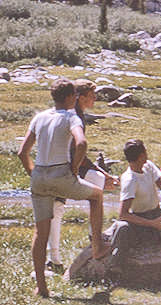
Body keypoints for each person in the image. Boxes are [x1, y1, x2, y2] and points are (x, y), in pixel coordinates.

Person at [17, 78, 109, 298]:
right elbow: (82, 143)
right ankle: (97, 246)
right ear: (71, 97)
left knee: (40, 233)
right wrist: (74, 169)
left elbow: (22, 152)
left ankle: (42, 287)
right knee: (96, 196)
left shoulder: (39, 117)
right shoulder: (71, 116)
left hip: (39, 176)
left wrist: (33, 173)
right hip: (61, 174)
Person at [46, 79, 119, 275]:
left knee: (94, 182)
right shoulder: (74, 116)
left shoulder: (73, 114)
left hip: (56, 167)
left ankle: (89, 238)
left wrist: (102, 174)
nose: (95, 98)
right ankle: (55, 259)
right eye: (92, 95)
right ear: (79, 97)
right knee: (56, 209)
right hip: (61, 168)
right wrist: (76, 171)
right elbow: (76, 148)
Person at [109, 139, 161, 293]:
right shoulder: (129, 180)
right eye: (145, 151)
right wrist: (153, 224)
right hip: (138, 220)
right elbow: (123, 214)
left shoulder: (148, 166)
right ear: (141, 155)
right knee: (122, 228)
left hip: (155, 213)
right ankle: (114, 272)